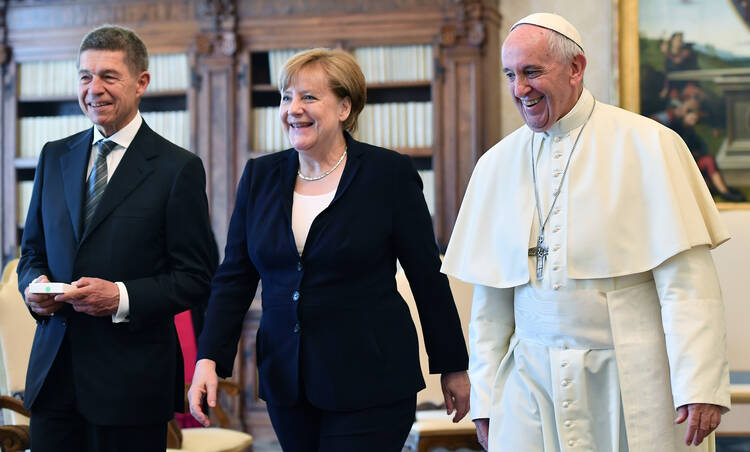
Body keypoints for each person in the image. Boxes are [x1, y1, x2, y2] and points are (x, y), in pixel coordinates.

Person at [442, 13, 730, 452]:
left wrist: (700, 385)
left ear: (576, 68)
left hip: (634, 375)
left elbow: (687, 287)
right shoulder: (496, 164)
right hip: (530, 379)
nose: (520, 89)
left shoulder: (650, 145)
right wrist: (484, 397)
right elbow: (491, 305)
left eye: (532, 72)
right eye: (511, 75)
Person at [188, 48, 470, 452]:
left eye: (308, 97)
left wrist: (452, 366)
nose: (293, 109)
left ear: (344, 107)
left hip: (372, 379)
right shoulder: (259, 177)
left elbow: (427, 276)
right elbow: (234, 276)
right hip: (289, 380)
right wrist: (208, 358)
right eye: (286, 97)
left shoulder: (388, 175)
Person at [17, 25, 218, 451]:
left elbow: (196, 277)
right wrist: (32, 288)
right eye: (85, 76)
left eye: (109, 76)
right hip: (53, 380)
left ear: (142, 82)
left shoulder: (177, 168)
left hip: (131, 388)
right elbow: (32, 251)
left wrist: (121, 297)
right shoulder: (54, 155)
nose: (94, 89)